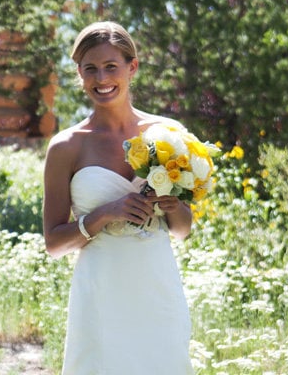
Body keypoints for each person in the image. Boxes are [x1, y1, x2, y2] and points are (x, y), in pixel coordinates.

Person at [43, 21, 194, 374]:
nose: (101, 78)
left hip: (157, 285)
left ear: (132, 67)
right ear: (79, 74)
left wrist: (174, 206)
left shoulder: (168, 134)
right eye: (90, 69)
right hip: (101, 291)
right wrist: (104, 213)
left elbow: (183, 230)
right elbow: (53, 242)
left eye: (111, 66)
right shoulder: (66, 146)